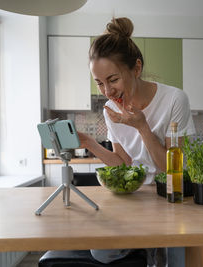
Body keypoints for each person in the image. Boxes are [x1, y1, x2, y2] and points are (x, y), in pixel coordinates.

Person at [78, 17, 195, 266]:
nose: (107, 92)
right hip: (133, 199)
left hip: (168, 196)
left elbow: (171, 171)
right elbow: (124, 163)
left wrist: (142, 126)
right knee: (100, 252)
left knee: (174, 257)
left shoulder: (174, 100)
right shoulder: (110, 109)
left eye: (113, 80)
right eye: (99, 83)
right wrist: (89, 143)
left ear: (136, 68)